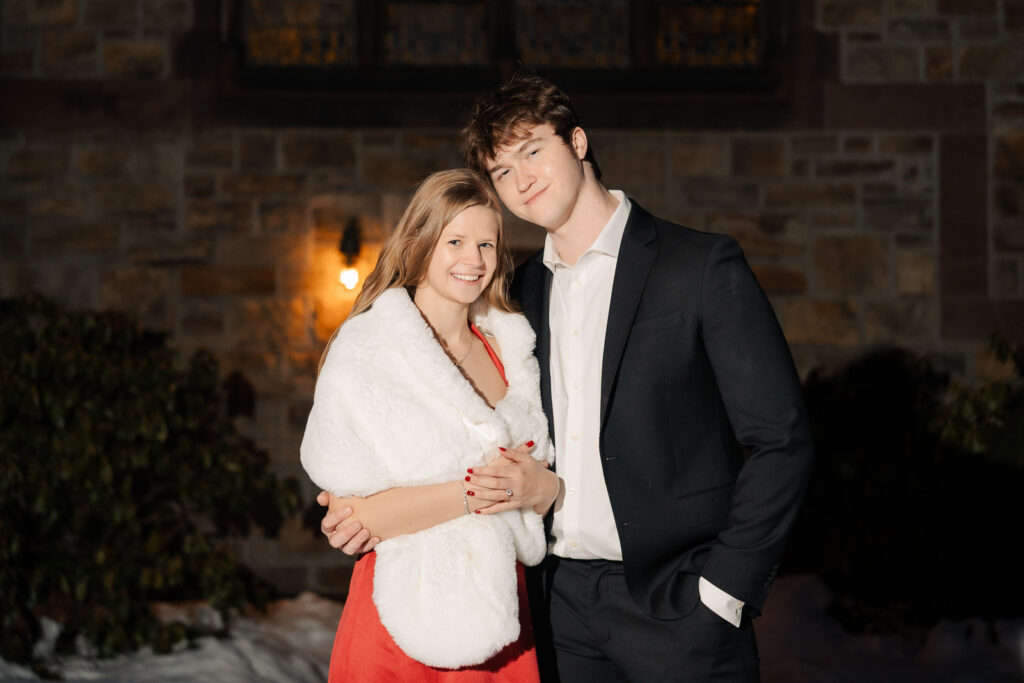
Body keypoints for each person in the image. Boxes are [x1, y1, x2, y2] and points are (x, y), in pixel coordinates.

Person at [323, 75, 814, 682]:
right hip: (557, 612)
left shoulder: (700, 266)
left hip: (682, 607)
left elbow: (781, 441)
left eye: (532, 150)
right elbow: (442, 414)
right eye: (501, 170)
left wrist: (726, 590)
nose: (521, 178)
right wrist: (357, 502)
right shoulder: (514, 299)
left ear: (578, 141)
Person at [300, 168, 561, 681]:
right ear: (420, 241)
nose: (474, 260)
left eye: (487, 244)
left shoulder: (511, 350)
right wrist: (481, 493)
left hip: (502, 613)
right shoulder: (369, 351)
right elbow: (356, 512)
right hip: (399, 620)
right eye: (455, 241)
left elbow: (540, 480)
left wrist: (541, 486)